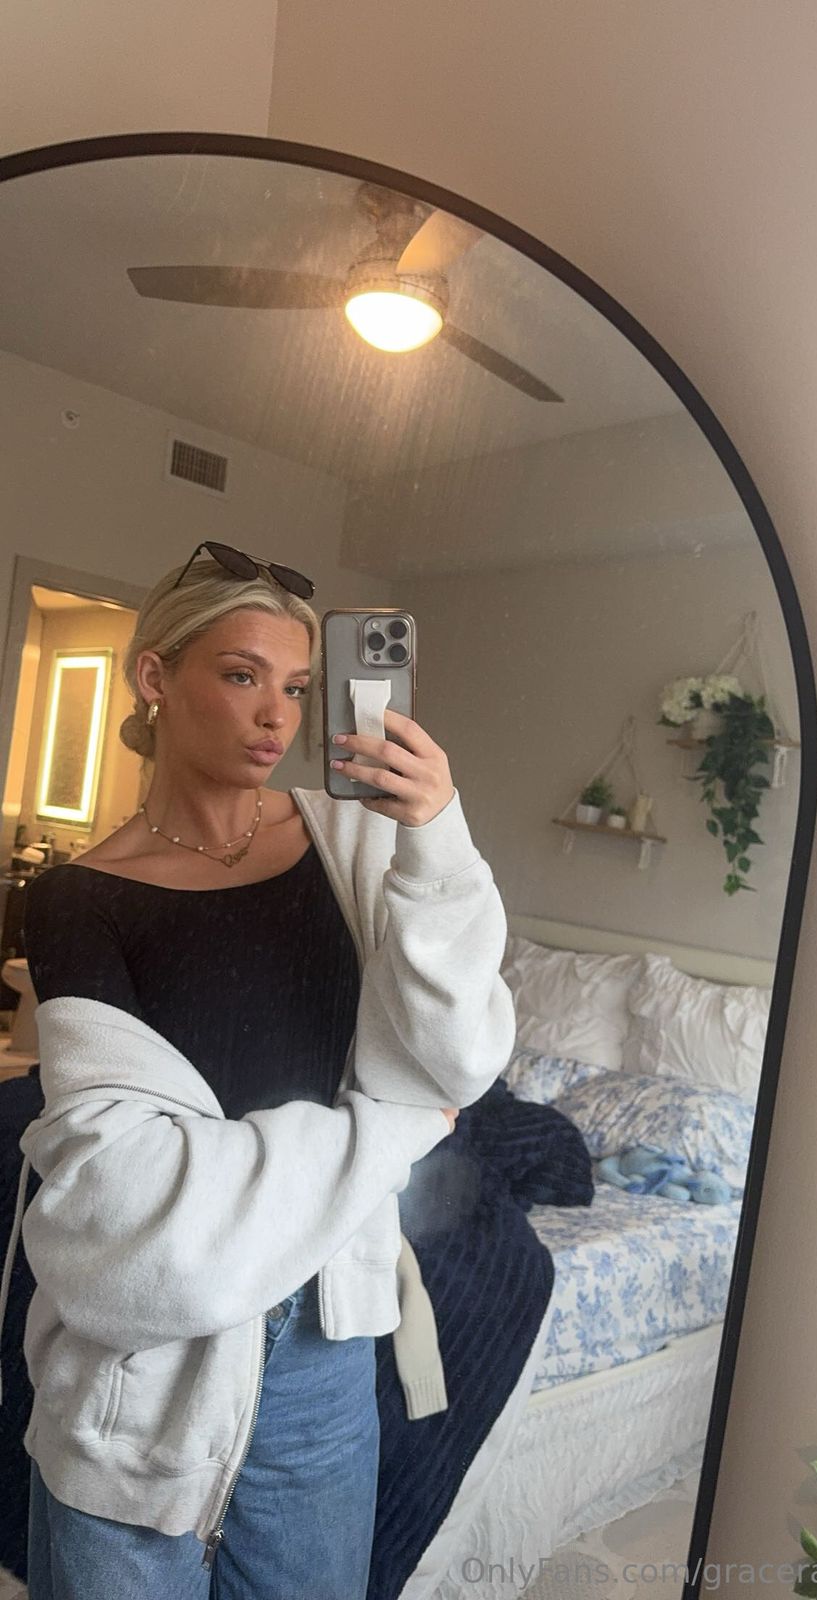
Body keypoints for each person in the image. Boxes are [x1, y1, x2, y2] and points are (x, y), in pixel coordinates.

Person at [13, 541, 515, 1600]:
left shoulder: (357, 841)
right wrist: (395, 1131)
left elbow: (463, 1057)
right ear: (156, 676)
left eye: (295, 686)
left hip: (325, 1344)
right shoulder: (75, 900)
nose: (277, 716)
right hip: (134, 1379)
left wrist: (437, 837)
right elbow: (131, 1205)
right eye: (242, 675)